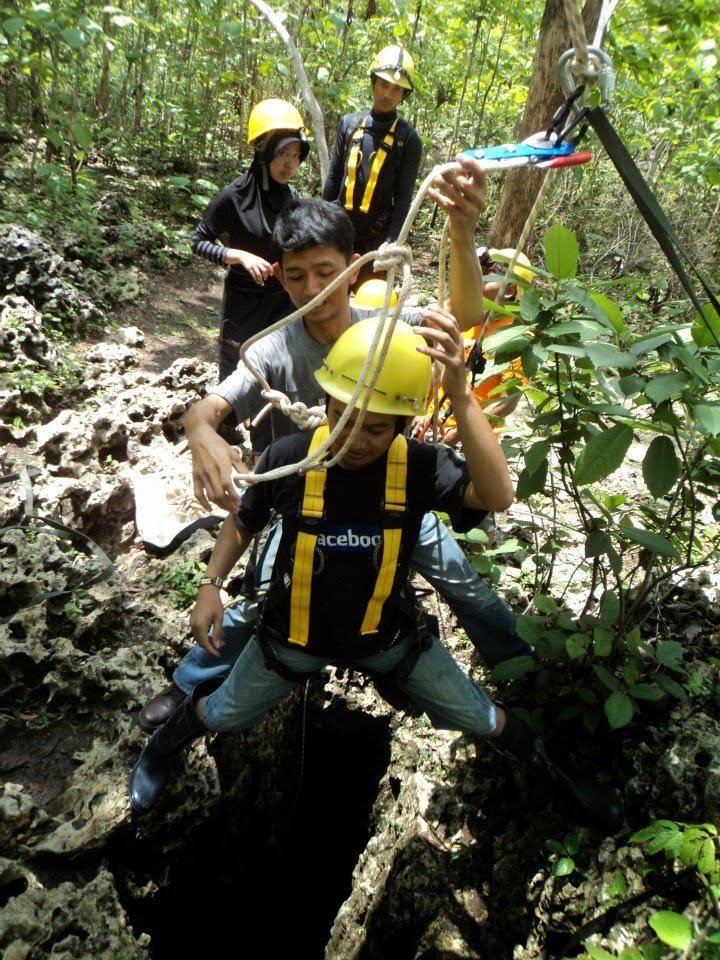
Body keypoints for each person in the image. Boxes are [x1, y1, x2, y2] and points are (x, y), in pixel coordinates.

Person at [128, 315, 622, 838]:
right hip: (292, 640)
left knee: (481, 716)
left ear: (402, 425)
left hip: (388, 638)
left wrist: (460, 392)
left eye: (377, 426)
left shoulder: (421, 468)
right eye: (343, 416)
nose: (356, 439)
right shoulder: (291, 457)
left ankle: (560, 778)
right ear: (325, 406)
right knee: (225, 712)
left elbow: (497, 495)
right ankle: (159, 751)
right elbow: (242, 522)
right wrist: (210, 587)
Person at [136, 176, 533, 735]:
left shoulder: (384, 327)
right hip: (305, 501)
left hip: (391, 492)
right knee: (260, 594)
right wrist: (200, 432)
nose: (310, 288)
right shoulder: (276, 344)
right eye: (295, 275)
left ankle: (524, 673)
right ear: (279, 273)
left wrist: (462, 231)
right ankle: (187, 683)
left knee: (465, 584)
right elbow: (209, 409)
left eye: (325, 272)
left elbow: (462, 315)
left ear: (353, 266)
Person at [191, 97, 309, 447]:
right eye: (283, 154)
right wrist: (238, 256)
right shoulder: (234, 197)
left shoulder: (293, 199)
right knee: (234, 375)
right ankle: (219, 445)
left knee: (275, 376)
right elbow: (199, 241)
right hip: (243, 307)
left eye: (296, 156)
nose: (290, 164)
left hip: (281, 306)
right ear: (264, 151)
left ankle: (266, 451)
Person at [322, 44, 422, 288]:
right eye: (384, 85)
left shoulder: (408, 139)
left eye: (397, 89)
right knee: (330, 297)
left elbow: (403, 196)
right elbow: (335, 176)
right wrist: (322, 220)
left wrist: (392, 239)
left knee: (368, 307)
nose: (388, 94)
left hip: (377, 240)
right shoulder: (349, 124)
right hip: (339, 229)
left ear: (403, 95)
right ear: (373, 82)